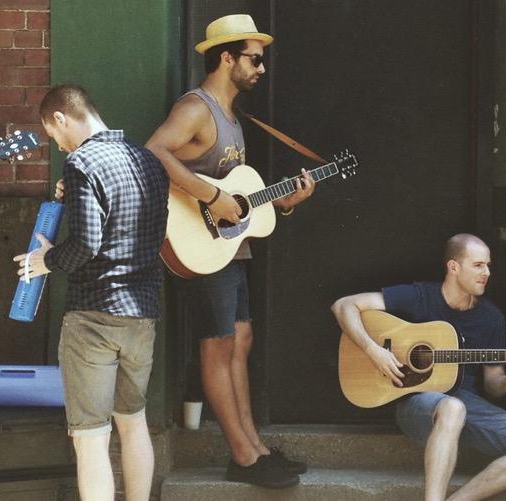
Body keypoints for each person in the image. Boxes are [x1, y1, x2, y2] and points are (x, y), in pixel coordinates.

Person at [144, 13, 313, 488]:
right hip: (199, 246)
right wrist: (211, 197)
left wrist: (282, 200)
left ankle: (254, 447)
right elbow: (154, 150)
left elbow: (239, 193)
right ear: (226, 57)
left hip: (228, 249)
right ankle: (241, 454)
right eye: (254, 59)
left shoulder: (234, 118)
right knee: (218, 343)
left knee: (240, 341)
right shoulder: (197, 108)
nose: (261, 69)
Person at [13, 84, 169, 501]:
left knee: (91, 438)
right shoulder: (149, 161)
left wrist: (45, 260)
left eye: (54, 135)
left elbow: (86, 244)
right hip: (142, 312)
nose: (60, 147)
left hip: (93, 316)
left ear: (62, 118)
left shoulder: (82, 163)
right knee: (134, 423)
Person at [331, 234, 506, 501]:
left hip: (469, 404)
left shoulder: (491, 317)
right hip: (417, 403)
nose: (486, 272)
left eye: (488, 265)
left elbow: (493, 385)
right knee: (452, 407)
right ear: (453, 267)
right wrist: (374, 351)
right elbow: (344, 305)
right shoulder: (420, 296)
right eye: (478, 265)